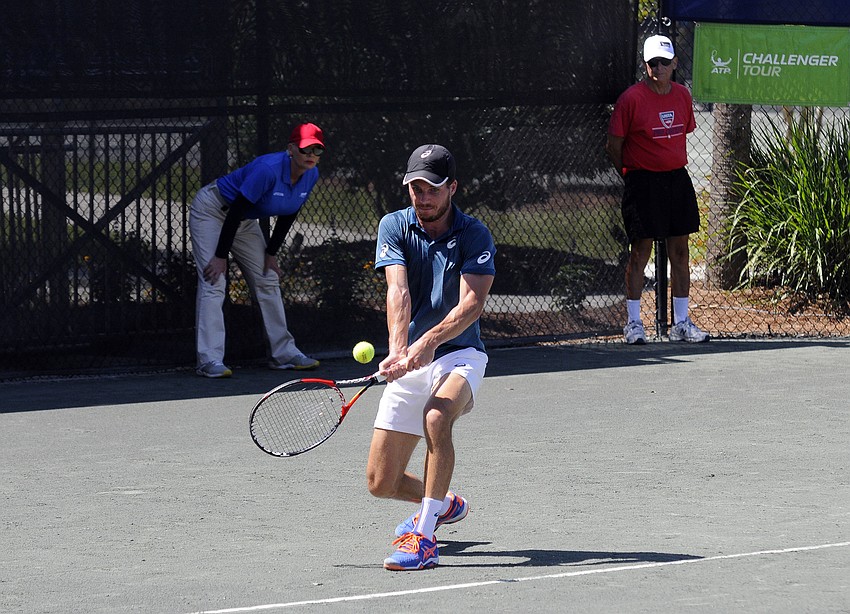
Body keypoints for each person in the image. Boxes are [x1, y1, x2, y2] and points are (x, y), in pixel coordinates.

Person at [367, 144, 496, 571]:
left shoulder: (474, 234)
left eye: (432, 189)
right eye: (415, 189)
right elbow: (397, 291)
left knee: (437, 417)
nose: (423, 198)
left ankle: (422, 537)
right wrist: (397, 349)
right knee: (380, 483)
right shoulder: (394, 226)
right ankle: (441, 502)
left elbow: (471, 305)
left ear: (452, 188)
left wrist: (426, 345)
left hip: (460, 355)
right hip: (414, 356)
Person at [188, 122, 325, 378]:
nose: (311, 156)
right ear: (291, 149)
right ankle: (209, 360)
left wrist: (270, 253)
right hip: (213, 210)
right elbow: (236, 209)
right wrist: (220, 256)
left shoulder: (311, 174)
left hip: (243, 221)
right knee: (213, 280)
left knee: (268, 277)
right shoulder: (267, 170)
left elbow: (289, 213)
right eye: (306, 149)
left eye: (317, 151)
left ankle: (284, 354)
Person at [606, 34, 709, 345]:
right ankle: (634, 324)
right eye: (653, 63)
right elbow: (614, 146)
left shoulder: (682, 96)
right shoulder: (631, 100)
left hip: (677, 180)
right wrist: (632, 175)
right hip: (642, 182)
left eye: (664, 62)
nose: (659, 67)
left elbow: (681, 135)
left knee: (680, 252)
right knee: (640, 253)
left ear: (675, 63)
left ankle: (680, 323)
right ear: (645, 65)